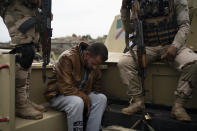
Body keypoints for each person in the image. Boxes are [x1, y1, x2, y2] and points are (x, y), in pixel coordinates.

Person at [118, 0, 197, 122]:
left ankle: (178, 106)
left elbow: (184, 25)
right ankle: (138, 102)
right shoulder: (137, 3)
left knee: (194, 62)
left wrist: (175, 46)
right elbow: (129, 29)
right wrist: (124, 8)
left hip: (172, 44)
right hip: (147, 46)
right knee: (124, 63)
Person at [45, 42, 108, 131]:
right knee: (77, 102)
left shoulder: (93, 63)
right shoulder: (68, 57)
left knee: (101, 98)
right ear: (87, 54)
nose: (95, 68)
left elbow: (97, 86)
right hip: (58, 95)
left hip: (79, 95)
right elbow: (65, 87)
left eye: (97, 65)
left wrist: (103, 104)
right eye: (94, 64)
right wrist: (84, 97)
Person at [0, 0, 47, 119]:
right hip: (14, 4)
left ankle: (24, 99)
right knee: (25, 51)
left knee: (30, 51)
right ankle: (20, 104)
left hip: (31, 8)